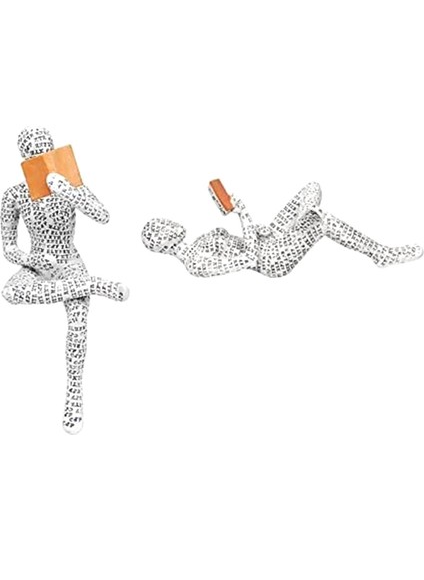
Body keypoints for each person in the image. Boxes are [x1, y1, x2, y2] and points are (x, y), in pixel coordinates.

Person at [1, 127, 129, 434]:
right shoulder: (13, 196)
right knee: (10, 291)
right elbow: (7, 247)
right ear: (23, 158)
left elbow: (103, 215)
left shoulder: (68, 183)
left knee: (79, 320)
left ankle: (74, 396)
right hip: (37, 263)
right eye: (33, 154)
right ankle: (92, 284)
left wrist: (69, 190)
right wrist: (33, 260)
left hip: (69, 261)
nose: (41, 157)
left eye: (45, 151)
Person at [142, 182, 422, 277]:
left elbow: (244, 244)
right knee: (319, 219)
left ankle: (291, 229)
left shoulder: (197, 245)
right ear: (163, 242)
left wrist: (257, 229)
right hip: (271, 259)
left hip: (266, 241)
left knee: (311, 191)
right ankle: (381, 254)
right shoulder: (196, 263)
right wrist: (244, 215)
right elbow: (249, 258)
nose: (168, 223)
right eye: (161, 227)